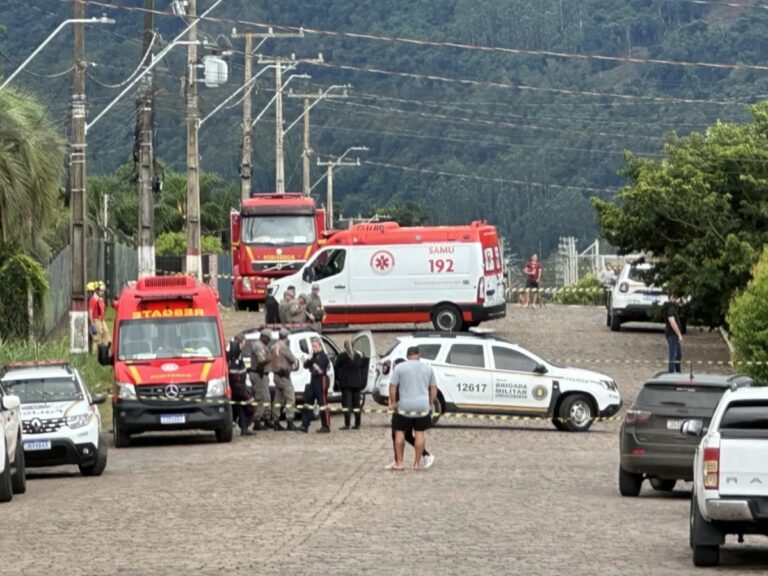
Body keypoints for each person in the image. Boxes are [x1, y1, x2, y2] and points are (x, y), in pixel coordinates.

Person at [388, 346, 438, 471]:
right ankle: (416, 463)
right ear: (419, 356)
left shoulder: (400, 368)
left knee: (400, 432)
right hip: (422, 406)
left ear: (407, 356)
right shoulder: (428, 368)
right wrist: (430, 403)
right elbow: (433, 388)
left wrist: (393, 402)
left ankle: (400, 463)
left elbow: (392, 386)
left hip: (405, 405)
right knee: (419, 433)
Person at [270, 328, 301, 431]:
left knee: (277, 399)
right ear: (286, 337)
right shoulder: (283, 348)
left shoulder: (273, 347)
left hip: (276, 376)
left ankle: (276, 421)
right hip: (284, 376)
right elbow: (292, 359)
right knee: (290, 398)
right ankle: (290, 420)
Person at [299, 337, 331, 433]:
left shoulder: (323, 357)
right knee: (308, 401)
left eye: (315, 346)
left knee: (322, 402)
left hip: (321, 379)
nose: (314, 348)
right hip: (313, 379)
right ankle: (305, 424)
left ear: (320, 346)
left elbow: (318, 368)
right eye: (313, 346)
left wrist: (311, 362)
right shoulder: (313, 356)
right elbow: (305, 366)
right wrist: (309, 358)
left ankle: (326, 425)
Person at [228, 336, 255, 436]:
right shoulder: (235, 354)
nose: (245, 344)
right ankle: (243, 425)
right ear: (241, 342)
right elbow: (235, 372)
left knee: (241, 407)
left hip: (238, 385)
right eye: (244, 342)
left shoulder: (237, 353)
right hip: (239, 386)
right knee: (251, 405)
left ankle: (244, 428)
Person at [335, 340, 365, 430]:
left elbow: (336, 368)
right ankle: (357, 423)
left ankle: (347, 424)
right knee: (357, 405)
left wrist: (338, 379)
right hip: (357, 384)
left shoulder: (342, 357)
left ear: (345, 347)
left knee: (347, 405)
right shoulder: (358, 357)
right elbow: (362, 368)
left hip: (346, 384)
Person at [248, 328, 273, 430]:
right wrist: (271, 357)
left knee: (267, 397)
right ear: (263, 336)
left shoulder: (263, 346)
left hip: (263, 375)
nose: (269, 341)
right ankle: (257, 420)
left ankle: (266, 418)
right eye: (268, 338)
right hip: (258, 375)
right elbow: (261, 360)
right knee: (260, 397)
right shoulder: (258, 346)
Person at [663, 294, 684, 373]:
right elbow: (672, 322)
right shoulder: (671, 308)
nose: (677, 300)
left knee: (678, 355)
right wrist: (679, 334)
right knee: (673, 355)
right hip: (672, 334)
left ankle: (678, 372)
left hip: (673, 334)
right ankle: (671, 373)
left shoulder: (673, 308)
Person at [88, 282, 111, 347]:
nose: (102, 293)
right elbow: (90, 312)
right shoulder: (93, 300)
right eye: (101, 291)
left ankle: (108, 350)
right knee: (98, 340)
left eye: (103, 291)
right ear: (97, 290)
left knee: (107, 337)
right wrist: (92, 324)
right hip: (96, 320)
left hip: (102, 320)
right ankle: (102, 352)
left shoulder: (100, 299)